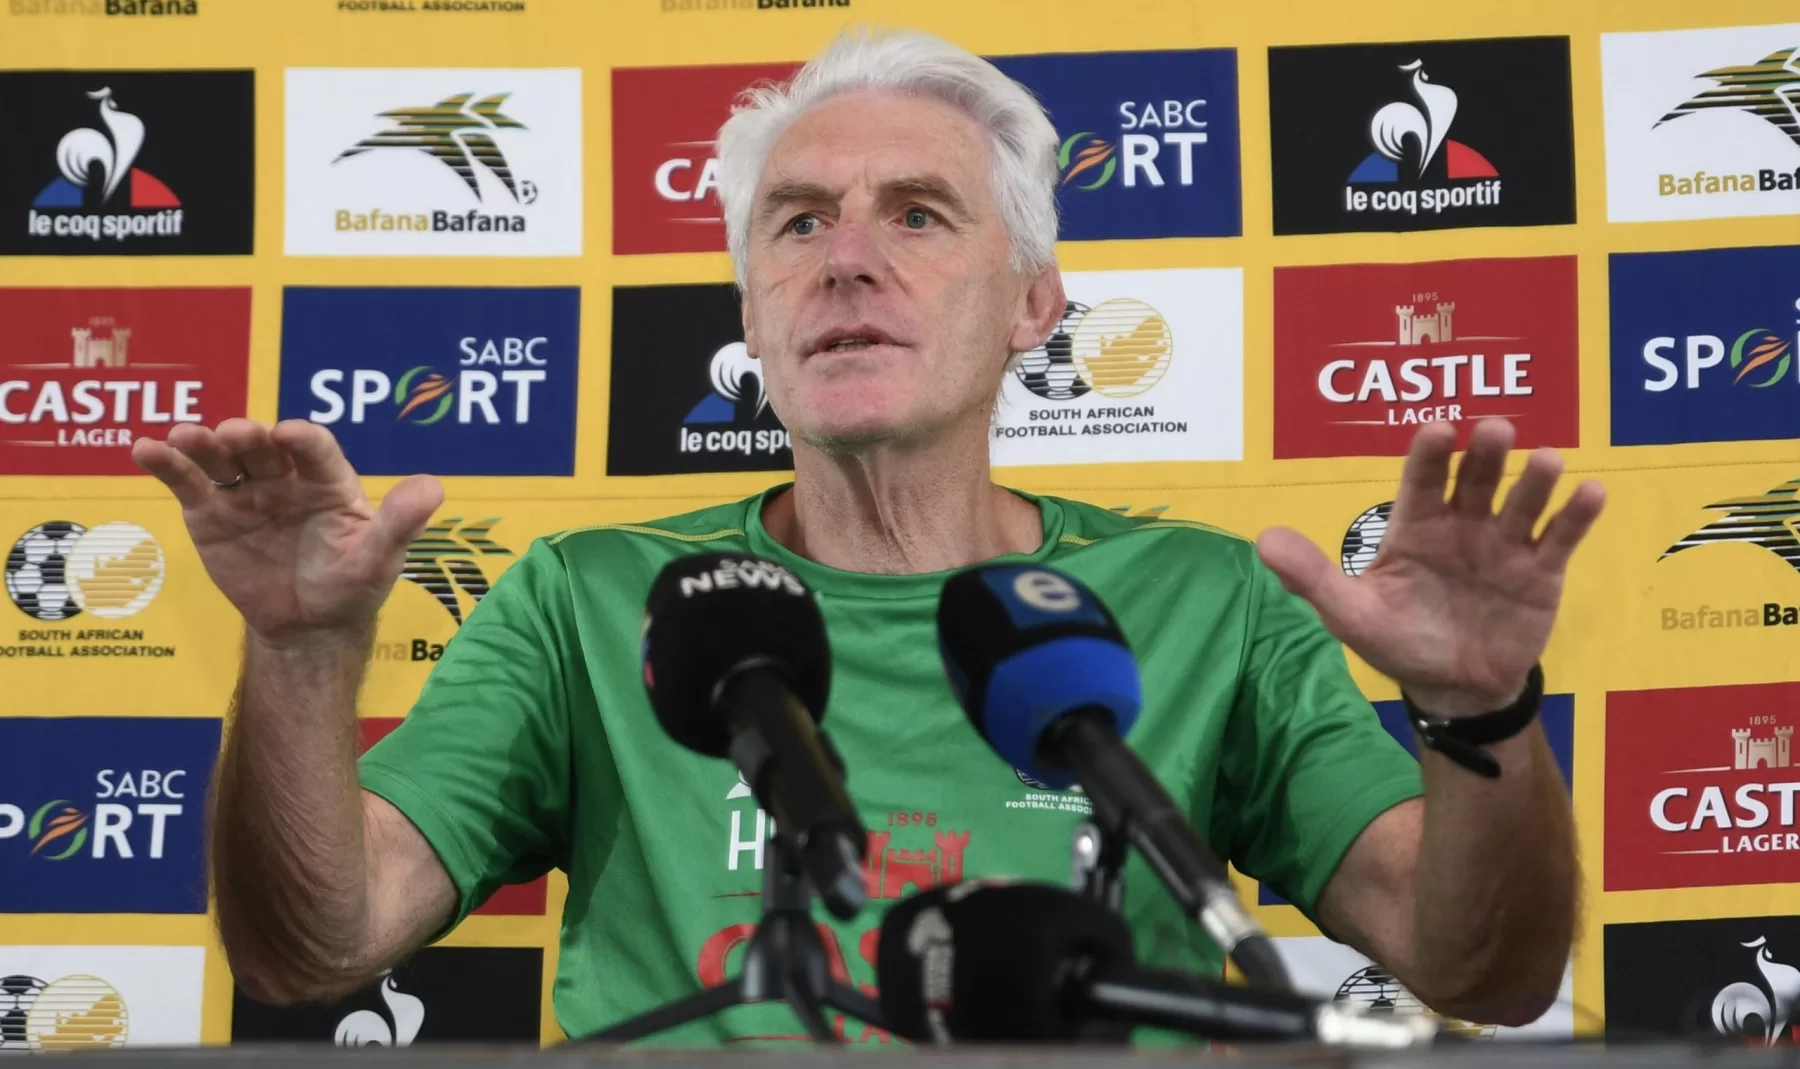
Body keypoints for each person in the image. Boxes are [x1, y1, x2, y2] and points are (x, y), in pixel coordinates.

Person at [133, 28, 1600, 1045]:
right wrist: (301, 656)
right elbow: (307, 951)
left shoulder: (1206, 601)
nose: (847, 259)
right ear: (751, 313)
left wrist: (1478, 710)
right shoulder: (588, 600)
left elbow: (1485, 969)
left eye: (917, 216)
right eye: (797, 223)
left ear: (1031, 303)